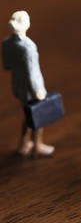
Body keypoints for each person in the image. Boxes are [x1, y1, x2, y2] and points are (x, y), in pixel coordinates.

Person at [2, 10, 54, 157]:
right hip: (32, 89)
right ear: (26, 25)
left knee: (28, 115)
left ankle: (23, 145)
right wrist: (39, 90)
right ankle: (37, 146)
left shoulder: (6, 43)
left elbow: (6, 66)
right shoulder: (28, 47)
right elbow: (32, 73)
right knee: (38, 116)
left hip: (18, 87)